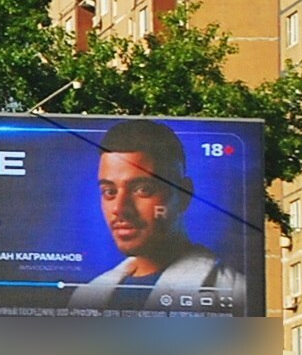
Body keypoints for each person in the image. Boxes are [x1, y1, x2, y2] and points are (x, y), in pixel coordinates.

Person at [67, 119, 247, 311]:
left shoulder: (237, 292)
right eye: (109, 192)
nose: (119, 208)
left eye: (143, 189)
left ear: (184, 194)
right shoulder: (85, 296)